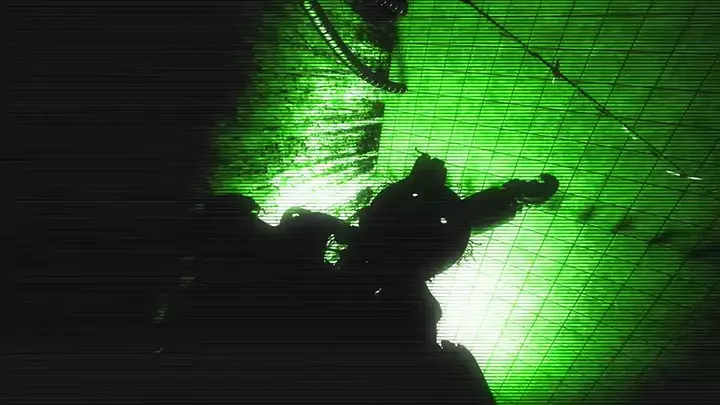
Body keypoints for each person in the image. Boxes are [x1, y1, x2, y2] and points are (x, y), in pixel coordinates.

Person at [158, 151, 559, 404]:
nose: (264, 225)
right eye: (252, 224)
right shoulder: (231, 295)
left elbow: (390, 248)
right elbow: (395, 253)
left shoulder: (247, 274)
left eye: (256, 221)